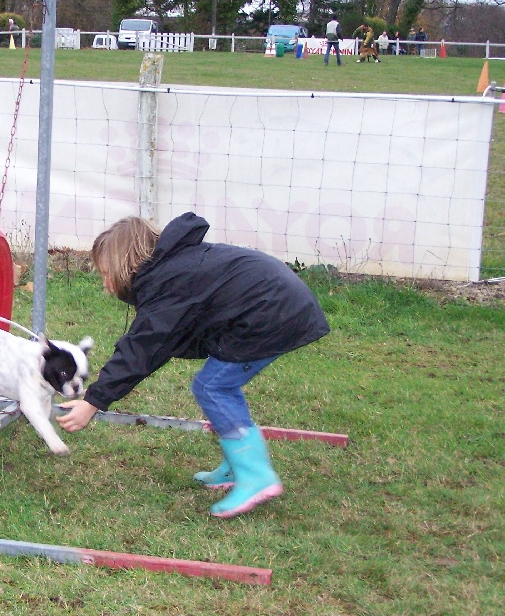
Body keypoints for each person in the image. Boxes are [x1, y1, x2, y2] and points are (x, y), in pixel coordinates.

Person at [57, 212, 330, 518]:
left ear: (128, 264)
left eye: (107, 274)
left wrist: (93, 402)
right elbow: (169, 336)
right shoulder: (173, 269)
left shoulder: (168, 281)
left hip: (272, 313)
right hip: (275, 304)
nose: (106, 284)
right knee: (220, 384)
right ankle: (235, 466)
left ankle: (255, 475)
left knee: (213, 386)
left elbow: (142, 350)